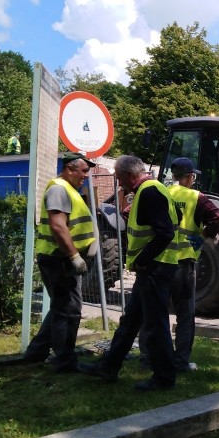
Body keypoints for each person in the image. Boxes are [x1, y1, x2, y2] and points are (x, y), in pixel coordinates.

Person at [79, 155, 180, 391]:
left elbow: (164, 232)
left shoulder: (149, 192)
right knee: (131, 321)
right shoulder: (155, 189)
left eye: (119, 176)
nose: (117, 180)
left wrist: (143, 261)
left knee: (155, 326)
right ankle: (108, 367)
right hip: (154, 269)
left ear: (129, 174)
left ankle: (164, 378)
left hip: (155, 268)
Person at [141, 157, 219, 372]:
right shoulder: (197, 197)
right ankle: (180, 362)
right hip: (184, 264)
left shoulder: (161, 192)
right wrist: (204, 236)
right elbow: (217, 217)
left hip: (159, 261)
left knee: (156, 312)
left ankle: (149, 357)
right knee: (185, 315)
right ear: (190, 177)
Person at [24, 151, 97, 372]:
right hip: (60, 259)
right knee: (69, 309)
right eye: (84, 171)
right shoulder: (59, 189)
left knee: (61, 306)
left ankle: (36, 352)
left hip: (60, 257)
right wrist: (74, 256)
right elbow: (58, 226)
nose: (86, 175)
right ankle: (65, 360)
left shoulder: (67, 189)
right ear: (69, 169)